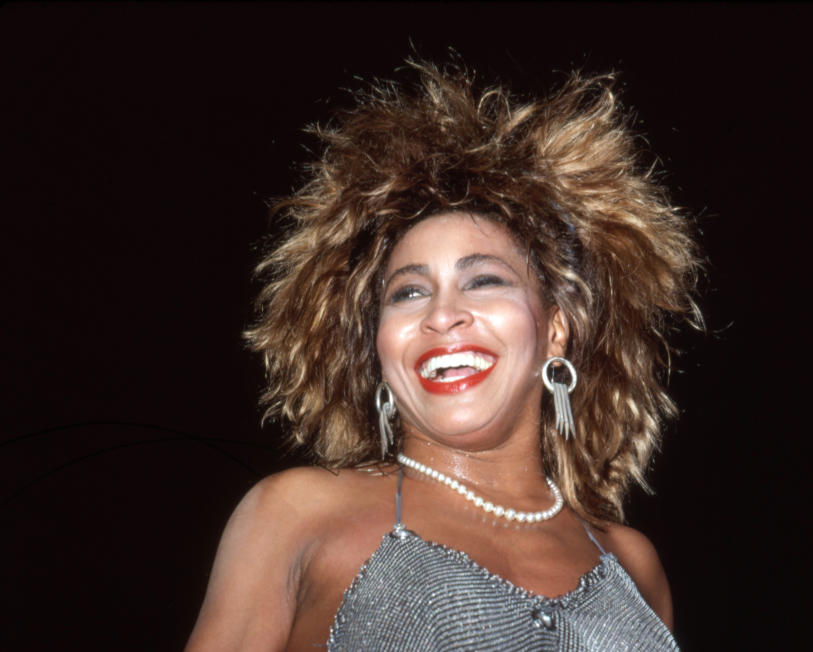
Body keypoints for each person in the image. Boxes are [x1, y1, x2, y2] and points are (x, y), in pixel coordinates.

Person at [185, 59, 699, 651]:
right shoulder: (297, 514)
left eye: (483, 280)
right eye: (408, 292)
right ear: (377, 348)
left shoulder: (631, 563)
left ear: (556, 329)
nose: (441, 314)